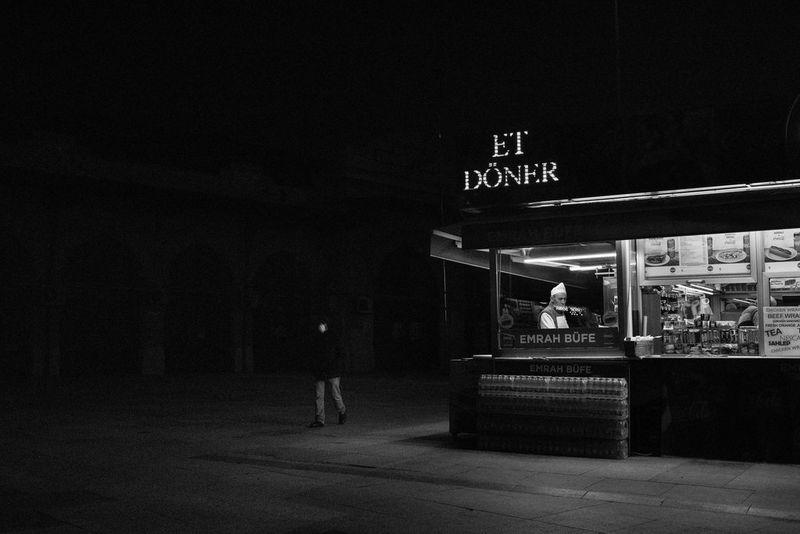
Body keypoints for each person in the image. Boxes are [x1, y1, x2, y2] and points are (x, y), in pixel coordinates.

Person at [308, 317, 347, 428]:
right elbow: (313, 354)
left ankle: (342, 411)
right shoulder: (316, 338)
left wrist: (336, 366)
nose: (320, 326)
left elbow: (340, 353)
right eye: (320, 324)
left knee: (335, 395)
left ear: (327, 325)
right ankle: (320, 419)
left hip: (332, 371)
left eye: (323, 324)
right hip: (320, 371)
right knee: (319, 396)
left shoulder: (334, 337)